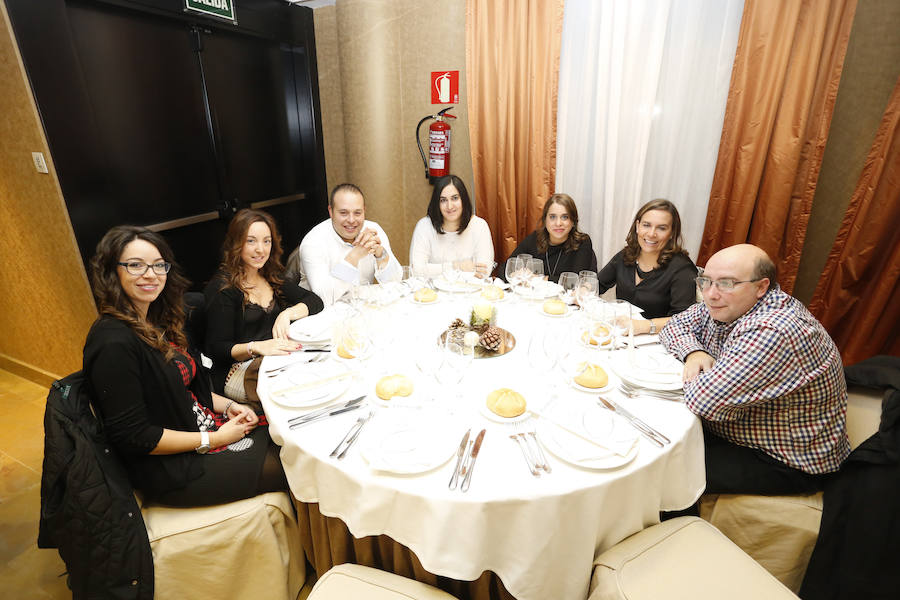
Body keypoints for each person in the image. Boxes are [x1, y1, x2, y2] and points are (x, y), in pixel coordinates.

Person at [83, 225, 287, 506]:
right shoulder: (111, 342)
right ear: (111, 273)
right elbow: (133, 436)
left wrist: (229, 407)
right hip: (173, 467)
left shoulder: (158, 319)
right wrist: (212, 439)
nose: (150, 274)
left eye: (158, 265)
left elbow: (186, 389)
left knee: (290, 439)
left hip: (201, 426)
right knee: (290, 466)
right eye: (135, 265)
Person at [659, 244, 850, 495]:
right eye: (705, 280)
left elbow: (703, 401)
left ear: (761, 287)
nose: (710, 294)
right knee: (663, 439)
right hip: (741, 429)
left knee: (666, 466)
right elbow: (674, 327)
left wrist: (705, 379)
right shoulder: (728, 303)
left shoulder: (774, 329)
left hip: (785, 460)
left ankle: (679, 527)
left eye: (727, 283)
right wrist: (695, 352)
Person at [204, 209, 324, 402]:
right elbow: (218, 350)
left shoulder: (270, 277)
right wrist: (257, 347)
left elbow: (315, 301)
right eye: (251, 241)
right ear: (236, 243)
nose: (261, 249)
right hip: (237, 371)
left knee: (322, 375)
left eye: (266, 241)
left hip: (275, 362)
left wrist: (286, 314)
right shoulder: (223, 288)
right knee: (303, 393)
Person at [597, 199, 697, 333]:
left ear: (672, 233)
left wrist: (642, 326)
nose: (651, 233)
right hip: (621, 333)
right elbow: (598, 284)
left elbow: (684, 319)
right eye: (646, 225)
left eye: (661, 228)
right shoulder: (626, 255)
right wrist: (584, 290)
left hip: (658, 343)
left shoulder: (683, 269)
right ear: (638, 226)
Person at [298, 183, 401, 304]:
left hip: (362, 309)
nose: (351, 220)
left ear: (364, 211)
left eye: (357, 213)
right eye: (343, 213)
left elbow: (395, 284)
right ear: (331, 211)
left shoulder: (373, 230)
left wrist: (381, 254)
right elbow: (323, 298)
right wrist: (354, 256)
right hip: (321, 315)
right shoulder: (313, 242)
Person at [408, 174, 494, 277]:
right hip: (432, 291)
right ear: (437, 203)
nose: (449, 206)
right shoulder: (424, 226)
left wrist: (433, 270)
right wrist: (456, 266)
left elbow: (483, 273)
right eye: (443, 200)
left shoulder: (479, 226)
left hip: (469, 291)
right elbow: (416, 271)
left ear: (463, 199)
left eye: (455, 198)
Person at [503, 193, 597, 283]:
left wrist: (540, 279)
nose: (558, 223)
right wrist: (516, 275)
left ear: (573, 221)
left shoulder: (582, 242)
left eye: (565, 217)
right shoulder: (535, 238)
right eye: (552, 217)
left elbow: (575, 282)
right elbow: (504, 269)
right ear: (545, 220)